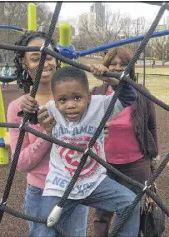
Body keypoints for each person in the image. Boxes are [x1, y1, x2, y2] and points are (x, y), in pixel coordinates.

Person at [35, 66, 140, 237]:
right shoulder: (51, 109)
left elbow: (129, 96)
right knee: (43, 230)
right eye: (62, 100)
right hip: (60, 184)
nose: (70, 105)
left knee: (130, 203)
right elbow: (31, 113)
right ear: (55, 100)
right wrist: (29, 107)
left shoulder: (101, 105)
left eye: (77, 98)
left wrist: (110, 79)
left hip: (94, 182)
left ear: (89, 96)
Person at [7, 31, 88, 237]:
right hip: (40, 192)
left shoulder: (76, 100)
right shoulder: (19, 108)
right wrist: (46, 132)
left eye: (49, 56)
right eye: (35, 58)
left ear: (57, 60)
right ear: (25, 64)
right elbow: (21, 163)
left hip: (75, 189)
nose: (44, 62)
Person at [90, 47, 159, 237]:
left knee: (131, 211)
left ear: (132, 67)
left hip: (136, 164)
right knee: (102, 213)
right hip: (105, 163)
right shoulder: (96, 93)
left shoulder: (141, 93)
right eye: (113, 63)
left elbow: (151, 125)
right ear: (106, 66)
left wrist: (153, 155)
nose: (118, 67)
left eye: (123, 64)